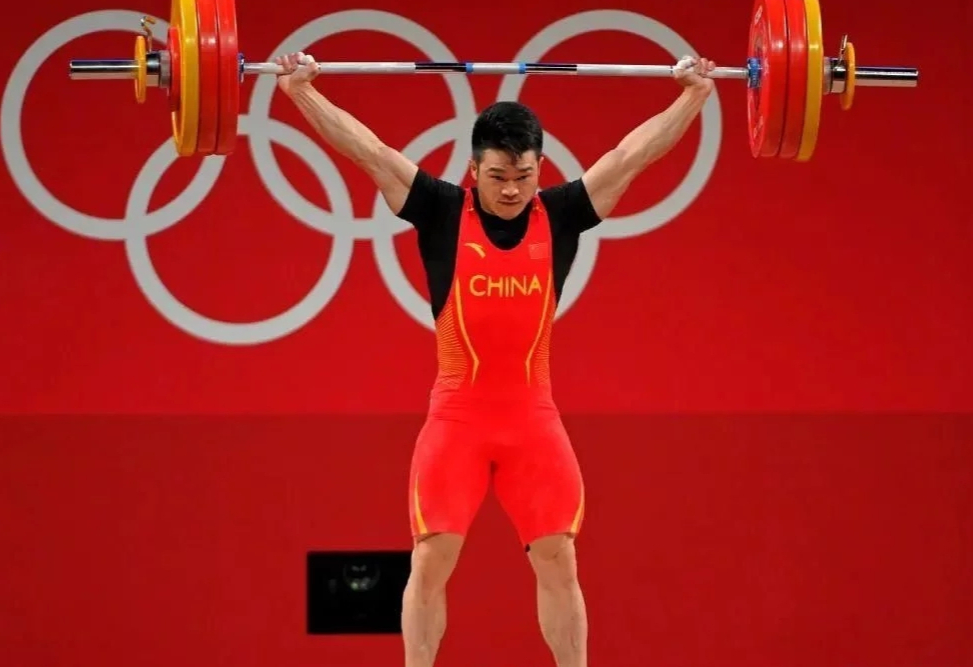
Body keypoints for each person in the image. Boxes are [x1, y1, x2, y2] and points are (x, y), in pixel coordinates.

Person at [276, 50, 716, 667]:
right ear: (473, 169)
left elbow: (630, 156)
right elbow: (368, 151)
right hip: (457, 418)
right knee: (431, 557)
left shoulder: (560, 215)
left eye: (523, 176)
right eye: (497, 176)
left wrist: (692, 97)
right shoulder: (439, 209)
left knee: (559, 557)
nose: (511, 189)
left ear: (540, 169)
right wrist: (301, 92)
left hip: (532, 419)